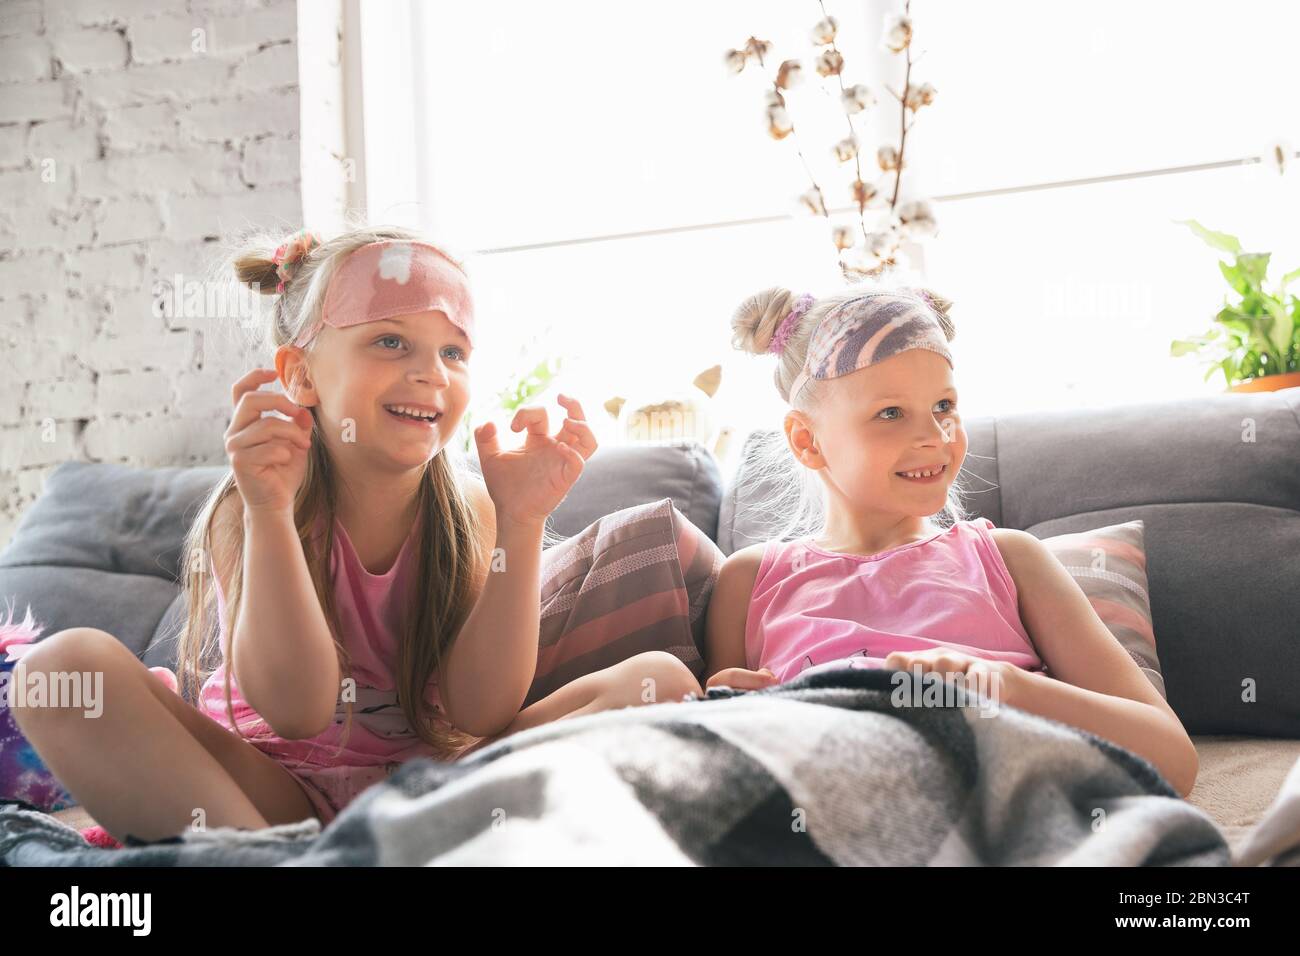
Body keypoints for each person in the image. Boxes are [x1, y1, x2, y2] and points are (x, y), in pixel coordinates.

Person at [13, 225, 702, 842]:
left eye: (454, 352)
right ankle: (270, 862)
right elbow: (296, 710)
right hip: (274, 792)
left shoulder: (471, 508)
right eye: (391, 341)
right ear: (300, 372)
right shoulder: (249, 506)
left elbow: (481, 710)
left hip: (438, 785)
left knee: (660, 679)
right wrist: (268, 513)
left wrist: (521, 525)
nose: (431, 371)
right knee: (59, 670)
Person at [704, 282, 1198, 797]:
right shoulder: (749, 581)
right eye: (891, 413)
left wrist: (1007, 689)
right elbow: (715, 771)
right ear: (807, 440)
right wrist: (731, 716)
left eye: (944, 405)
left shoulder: (1009, 560)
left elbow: (1172, 759)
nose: (936, 436)